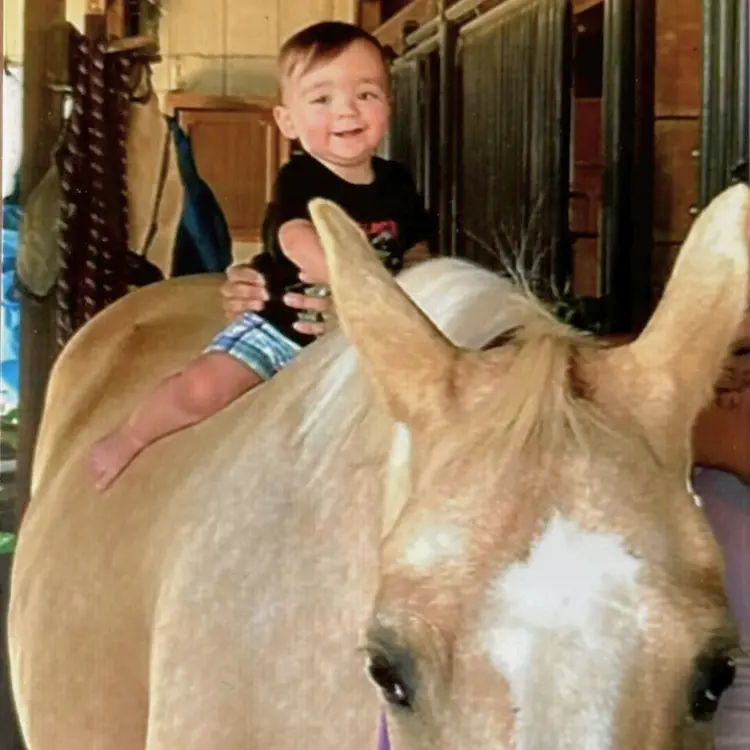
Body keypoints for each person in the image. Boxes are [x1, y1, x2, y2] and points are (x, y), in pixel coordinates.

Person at [87, 20, 436, 491]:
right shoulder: (303, 179)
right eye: (321, 99)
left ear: (387, 106)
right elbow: (298, 241)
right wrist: (365, 287)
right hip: (283, 328)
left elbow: (417, 250)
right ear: (287, 122)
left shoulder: (397, 183)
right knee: (204, 389)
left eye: (366, 95)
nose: (347, 111)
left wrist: (411, 292)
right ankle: (131, 436)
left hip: (370, 333)